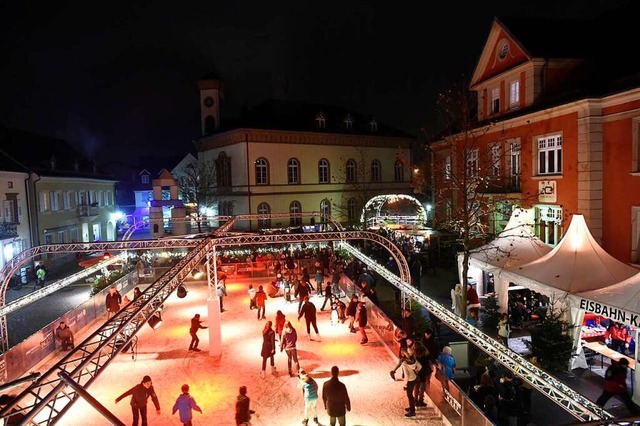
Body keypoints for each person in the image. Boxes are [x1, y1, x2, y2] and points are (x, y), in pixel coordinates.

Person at [399, 348, 422, 418]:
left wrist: (405, 384)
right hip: (415, 378)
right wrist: (416, 370)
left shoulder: (404, 363)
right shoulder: (414, 360)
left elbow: (407, 375)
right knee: (411, 395)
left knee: (410, 395)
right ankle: (411, 407)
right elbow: (420, 366)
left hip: (410, 380)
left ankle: (412, 411)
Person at [413, 341, 431, 408]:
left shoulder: (414, 354)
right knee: (422, 385)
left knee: (416, 386)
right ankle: (421, 400)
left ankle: (416, 400)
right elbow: (428, 361)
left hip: (416, 371)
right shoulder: (426, 353)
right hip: (423, 371)